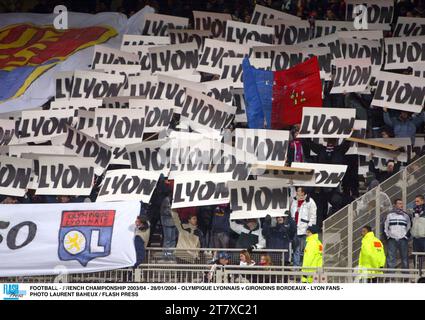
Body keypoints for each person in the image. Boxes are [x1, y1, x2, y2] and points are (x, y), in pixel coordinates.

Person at [290, 187, 317, 266]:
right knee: (296, 249)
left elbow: (313, 216)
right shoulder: (294, 201)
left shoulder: (310, 202)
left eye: (298, 191)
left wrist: (310, 228)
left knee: (306, 249)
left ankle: (306, 266)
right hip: (296, 229)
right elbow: (292, 214)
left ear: (303, 192)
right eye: (297, 190)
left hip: (306, 229)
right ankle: (296, 267)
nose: (297, 192)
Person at [384, 199, 411, 269]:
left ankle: (405, 276)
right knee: (391, 258)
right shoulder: (389, 215)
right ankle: (390, 276)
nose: (401, 205)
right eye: (399, 204)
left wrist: (406, 236)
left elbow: (409, 227)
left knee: (405, 258)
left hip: (403, 239)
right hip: (392, 239)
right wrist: (388, 236)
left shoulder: (406, 215)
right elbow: (385, 226)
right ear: (395, 205)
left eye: (402, 204)